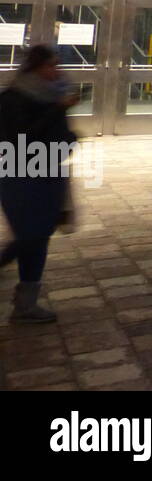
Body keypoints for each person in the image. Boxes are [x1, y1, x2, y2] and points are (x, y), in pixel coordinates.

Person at [0, 45, 79, 323]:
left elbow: (60, 136)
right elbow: (23, 139)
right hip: (18, 175)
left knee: (40, 237)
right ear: (35, 68)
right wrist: (57, 110)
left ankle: (26, 304)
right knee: (30, 235)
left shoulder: (55, 95)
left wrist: (70, 139)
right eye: (51, 65)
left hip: (49, 175)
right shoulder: (13, 98)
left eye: (58, 65)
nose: (57, 71)